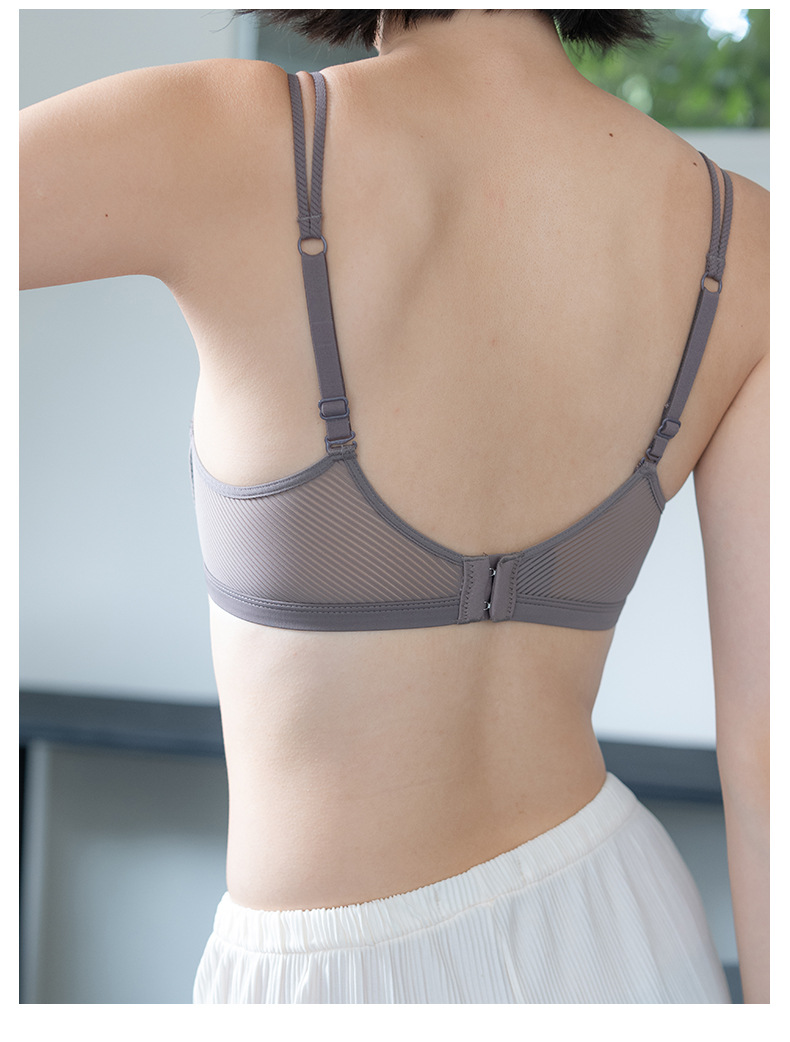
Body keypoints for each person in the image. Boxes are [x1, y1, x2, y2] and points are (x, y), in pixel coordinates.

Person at [19, 9, 768, 1004]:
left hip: (330, 985)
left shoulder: (232, 135)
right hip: (621, 944)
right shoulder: (747, 240)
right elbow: (768, 749)